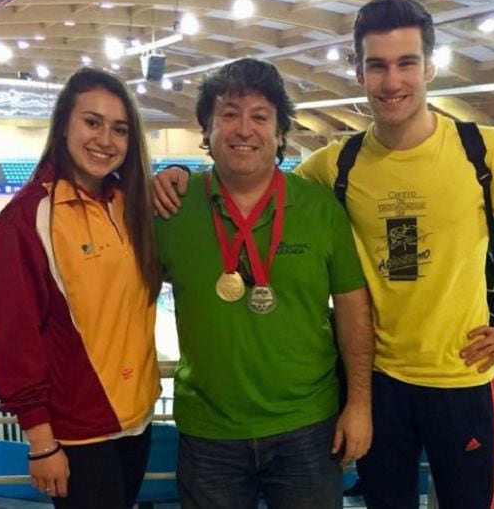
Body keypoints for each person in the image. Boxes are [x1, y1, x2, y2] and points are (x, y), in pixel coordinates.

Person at [153, 0, 494, 508]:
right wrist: (178, 175)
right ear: (359, 72)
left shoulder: (485, 150)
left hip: (462, 379)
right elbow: (256, 180)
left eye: (406, 63)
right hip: (378, 386)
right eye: (377, 65)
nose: (392, 80)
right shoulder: (336, 164)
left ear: (429, 66)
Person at [155, 58, 374, 509]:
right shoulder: (172, 207)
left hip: (308, 428)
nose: (243, 129)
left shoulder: (319, 209)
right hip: (208, 433)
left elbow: (354, 310)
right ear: (207, 129)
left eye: (260, 117)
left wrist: (359, 404)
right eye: (229, 114)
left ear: (278, 134)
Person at [0, 67, 162, 508]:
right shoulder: (27, 219)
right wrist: (41, 441)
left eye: (119, 129)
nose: (106, 140)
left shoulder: (130, 203)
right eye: (92, 122)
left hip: (137, 420)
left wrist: (175, 170)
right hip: (78, 431)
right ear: (64, 123)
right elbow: (15, 338)